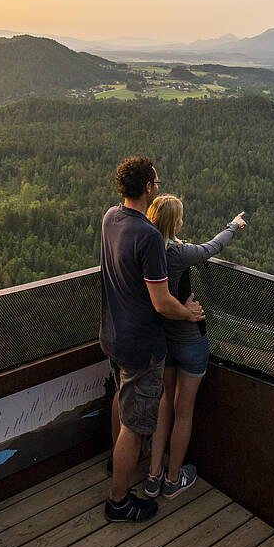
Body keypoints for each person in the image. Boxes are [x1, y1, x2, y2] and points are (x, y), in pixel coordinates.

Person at [100, 157, 206, 522]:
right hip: (141, 345)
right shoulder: (148, 235)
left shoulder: (111, 218)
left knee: (120, 398)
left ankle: (114, 465)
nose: (158, 185)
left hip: (111, 334)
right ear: (148, 188)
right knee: (134, 425)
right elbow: (162, 303)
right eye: (156, 181)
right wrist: (189, 313)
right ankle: (118, 500)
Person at [143, 195, 246, 499]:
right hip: (189, 339)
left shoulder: (146, 250)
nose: (183, 221)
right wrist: (234, 225)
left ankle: (152, 476)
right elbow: (212, 247)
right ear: (173, 223)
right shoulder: (179, 253)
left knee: (164, 405)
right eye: (180, 217)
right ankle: (174, 480)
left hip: (164, 339)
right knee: (183, 412)